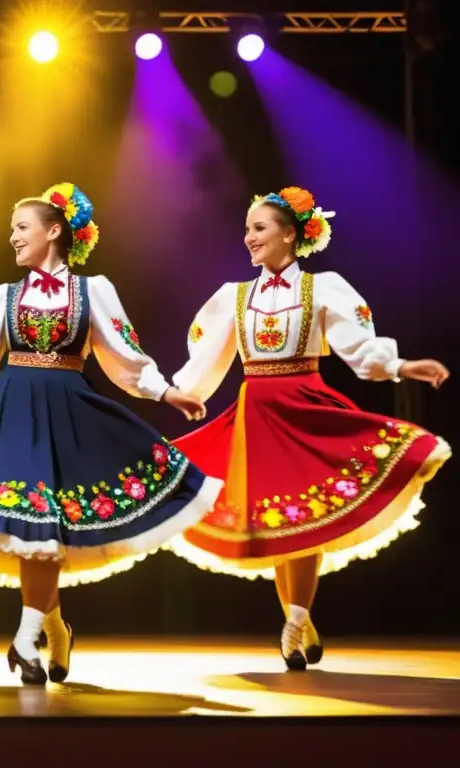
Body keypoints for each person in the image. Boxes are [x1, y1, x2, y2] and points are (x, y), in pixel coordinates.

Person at [0, 183, 223, 685]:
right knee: (31, 524)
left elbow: (125, 356)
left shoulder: (92, 290)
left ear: (54, 231)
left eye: (21, 228)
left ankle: (31, 635)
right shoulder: (0, 298)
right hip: (12, 414)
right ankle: (44, 631)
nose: (12, 238)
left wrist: (166, 393)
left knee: (45, 530)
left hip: (66, 412)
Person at [167, 187, 451, 669]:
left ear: (290, 234)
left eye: (259, 228)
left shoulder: (323, 288)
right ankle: (298, 620)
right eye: (247, 228)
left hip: (305, 407)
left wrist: (401, 366)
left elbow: (358, 348)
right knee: (281, 520)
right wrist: (179, 391)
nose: (249, 237)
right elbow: (206, 359)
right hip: (255, 413)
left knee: (305, 516)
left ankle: (295, 621)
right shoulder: (233, 298)